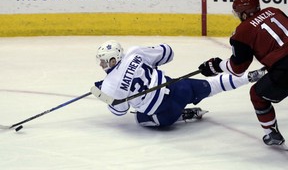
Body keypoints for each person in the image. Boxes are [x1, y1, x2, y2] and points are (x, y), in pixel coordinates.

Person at [90, 40, 264, 128]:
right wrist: (149, 63)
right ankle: (249, 76)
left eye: (105, 61)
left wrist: (100, 92)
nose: (103, 65)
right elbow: (168, 53)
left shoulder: (108, 85)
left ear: (115, 58)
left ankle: (181, 115)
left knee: (139, 119)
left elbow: (119, 111)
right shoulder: (134, 53)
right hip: (179, 89)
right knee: (211, 86)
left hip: (164, 115)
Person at [198, 0, 288, 147]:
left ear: (245, 13)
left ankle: (271, 133)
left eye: (239, 13)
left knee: (257, 95)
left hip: (284, 68)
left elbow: (237, 68)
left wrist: (216, 65)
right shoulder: (275, 10)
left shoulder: (243, 31)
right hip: (282, 65)